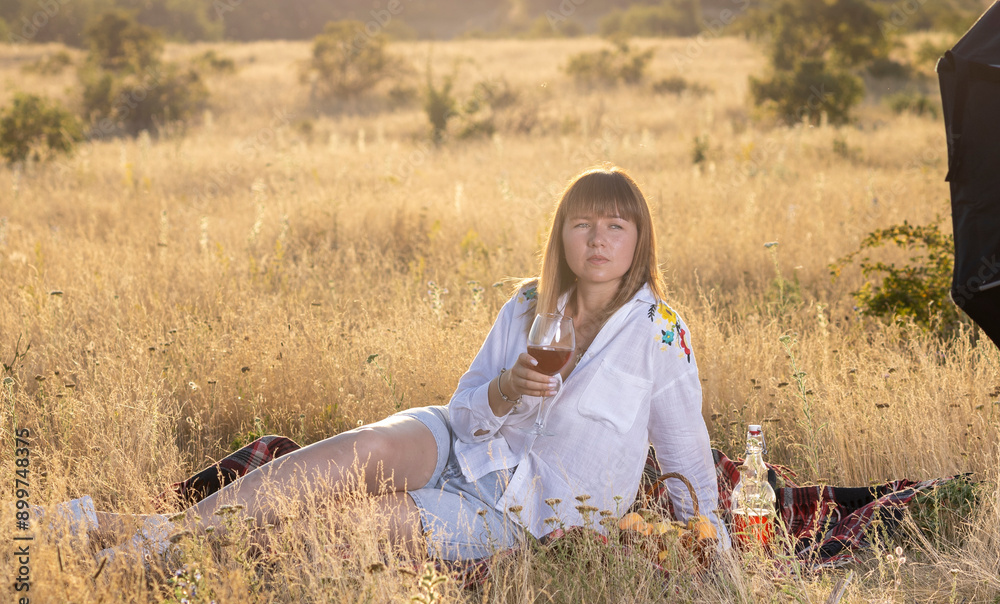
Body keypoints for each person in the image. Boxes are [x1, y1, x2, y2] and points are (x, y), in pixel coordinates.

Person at [47, 165, 730, 564]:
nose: (599, 238)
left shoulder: (660, 332)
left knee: (336, 530)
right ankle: (145, 538)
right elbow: (466, 409)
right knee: (357, 451)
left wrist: (720, 567)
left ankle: (128, 543)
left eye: (616, 224)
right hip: (462, 443)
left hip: (522, 514)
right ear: (563, 234)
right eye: (584, 223)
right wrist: (501, 389)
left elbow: (688, 458)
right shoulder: (528, 303)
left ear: (638, 237)